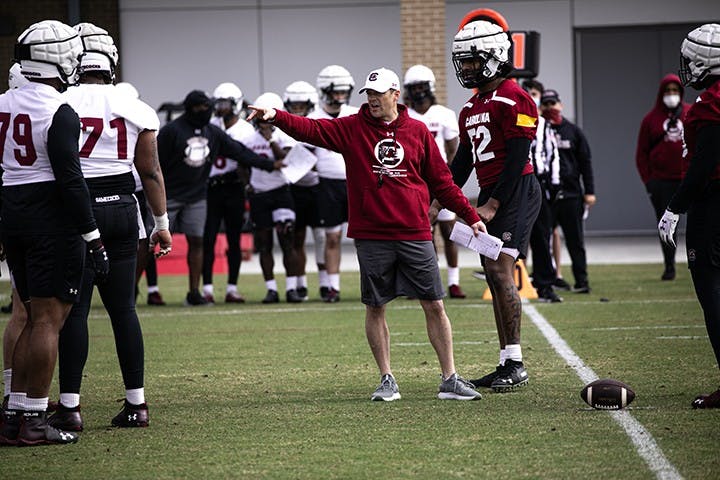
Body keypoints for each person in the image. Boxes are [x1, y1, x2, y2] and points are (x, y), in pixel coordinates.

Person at [249, 67, 483, 401]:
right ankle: (387, 379)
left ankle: (450, 378)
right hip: (372, 234)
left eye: (378, 93)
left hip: (415, 232)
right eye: (368, 94)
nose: (372, 100)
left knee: (434, 304)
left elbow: (443, 182)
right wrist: (276, 116)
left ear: (395, 94)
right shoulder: (352, 128)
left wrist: (470, 216)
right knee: (376, 306)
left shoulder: (417, 132)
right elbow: (311, 129)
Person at [46, 22, 172, 431]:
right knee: (124, 310)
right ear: (111, 64)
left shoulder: (60, 100)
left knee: (76, 312)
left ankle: (70, 406)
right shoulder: (134, 105)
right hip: (123, 208)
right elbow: (150, 171)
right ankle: (136, 404)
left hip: (78, 211)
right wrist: (162, 223)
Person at [0, 19, 109, 446]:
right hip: (50, 217)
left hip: (14, 211)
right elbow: (70, 178)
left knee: (28, 316)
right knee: (48, 320)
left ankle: (14, 414)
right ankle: (33, 419)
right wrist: (93, 236)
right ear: (56, 59)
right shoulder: (58, 110)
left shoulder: (4, 103)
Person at [446, 20, 541, 392]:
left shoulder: (516, 97)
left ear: (495, 57)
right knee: (491, 269)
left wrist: (493, 204)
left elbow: (518, 157)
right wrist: (441, 195)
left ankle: (515, 362)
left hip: (515, 190)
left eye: (473, 61)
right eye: (464, 62)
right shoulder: (471, 108)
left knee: (501, 270)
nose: (467, 69)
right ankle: (506, 360)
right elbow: (463, 161)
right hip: (491, 192)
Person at [157, 89, 282, 305]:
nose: (213, 110)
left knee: (215, 240)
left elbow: (240, 152)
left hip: (215, 191)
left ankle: (211, 290)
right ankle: (144, 290)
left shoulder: (220, 131)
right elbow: (157, 161)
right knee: (166, 240)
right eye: (218, 103)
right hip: (189, 190)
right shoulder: (182, 130)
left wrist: (268, 165)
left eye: (222, 104)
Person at [659, 23, 720, 409]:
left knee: (712, 291)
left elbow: (704, 165)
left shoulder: (709, 105)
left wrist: (674, 207)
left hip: (712, 206)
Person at [403, 64, 466, 299]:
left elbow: (453, 152)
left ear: (430, 87)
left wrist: (449, 181)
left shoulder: (445, 114)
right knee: (420, 236)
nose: (418, 91)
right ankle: (421, 282)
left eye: (421, 86)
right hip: (414, 184)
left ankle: (453, 281)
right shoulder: (404, 115)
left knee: (449, 230)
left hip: (439, 180)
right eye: (414, 87)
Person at [244, 92, 303, 304]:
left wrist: (270, 140)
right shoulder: (248, 139)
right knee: (264, 244)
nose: (263, 122)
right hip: (260, 194)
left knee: (288, 240)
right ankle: (271, 289)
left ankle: (291, 288)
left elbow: (284, 159)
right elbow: (243, 163)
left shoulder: (285, 137)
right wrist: (247, 184)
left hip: (281, 193)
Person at [202, 82, 255, 303]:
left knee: (234, 239)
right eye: (219, 103)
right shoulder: (209, 125)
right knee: (208, 238)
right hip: (211, 187)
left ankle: (232, 287)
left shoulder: (245, 129)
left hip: (234, 186)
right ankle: (207, 289)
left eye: (226, 104)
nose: (222, 108)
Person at [309, 65, 359, 302]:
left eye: (343, 92)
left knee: (365, 237)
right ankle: (332, 286)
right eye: (335, 92)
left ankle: (373, 284)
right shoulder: (314, 118)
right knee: (331, 237)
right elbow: (303, 157)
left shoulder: (357, 113)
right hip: (327, 184)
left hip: (357, 183)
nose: (340, 96)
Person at [540, 88, 596, 294]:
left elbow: (585, 163)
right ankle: (547, 281)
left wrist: (589, 191)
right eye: (545, 104)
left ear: (560, 105)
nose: (549, 108)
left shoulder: (573, 131)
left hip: (572, 195)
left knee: (575, 241)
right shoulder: (538, 131)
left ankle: (582, 281)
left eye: (552, 103)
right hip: (547, 196)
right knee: (543, 240)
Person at [636, 74, 691, 281]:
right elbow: (641, 153)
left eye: (675, 91)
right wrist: (649, 181)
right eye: (667, 91)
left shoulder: (689, 113)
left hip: (688, 178)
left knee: (698, 221)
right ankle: (669, 265)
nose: (671, 95)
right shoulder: (651, 120)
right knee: (667, 225)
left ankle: (698, 261)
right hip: (661, 181)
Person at [283, 80, 324, 300]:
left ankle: (326, 283)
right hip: (293, 188)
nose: (298, 109)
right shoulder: (284, 127)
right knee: (296, 238)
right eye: (294, 105)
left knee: (321, 237)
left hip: (317, 187)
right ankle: (301, 284)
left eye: (302, 105)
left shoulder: (319, 122)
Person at [522, 79, 562, 303]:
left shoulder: (544, 124)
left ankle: (544, 283)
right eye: (527, 92)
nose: (531, 95)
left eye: (534, 92)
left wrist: (554, 182)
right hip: (517, 182)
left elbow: (552, 152)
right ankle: (503, 277)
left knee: (542, 234)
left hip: (539, 181)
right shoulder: (514, 117)